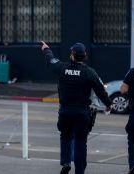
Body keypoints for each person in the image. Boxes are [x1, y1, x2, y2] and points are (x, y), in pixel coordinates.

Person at [41, 41, 112, 174]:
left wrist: (46, 49)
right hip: (82, 112)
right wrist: (108, 104)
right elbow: (100, 91)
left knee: (65, 136)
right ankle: (79, 170)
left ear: (72, 55)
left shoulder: (62, 68)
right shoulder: (89, 72)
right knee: (80, 142)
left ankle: (66, 162)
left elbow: (51, 60)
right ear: (84, 55)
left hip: (65, 111)